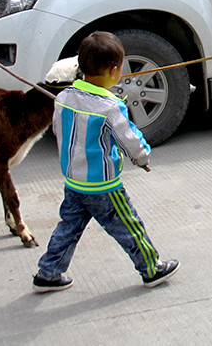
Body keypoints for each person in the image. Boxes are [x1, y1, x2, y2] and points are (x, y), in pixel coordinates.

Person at [33, 31, 179, 292]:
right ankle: (151, 268)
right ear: (114, 71)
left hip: (74, 181)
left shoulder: (63, 98)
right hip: (103, 186)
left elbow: (58, 130)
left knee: (67, 228)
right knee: (129, 226)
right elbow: (129, 139)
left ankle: (48, 272)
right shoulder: (110, 107)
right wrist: (142, 157)